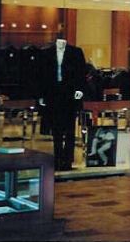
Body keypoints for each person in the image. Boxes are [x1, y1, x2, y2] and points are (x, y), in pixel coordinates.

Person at [38, 36, 86, 171]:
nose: (61, 44)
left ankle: (68, 159)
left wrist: (80, 89)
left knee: (70, 128)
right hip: (53, 93)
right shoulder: (46, 53)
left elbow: (81, 72)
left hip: (70, 93)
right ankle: (58, 157)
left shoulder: (76, 52)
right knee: (56, 129)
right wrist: (41, 95)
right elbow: (41, 74)